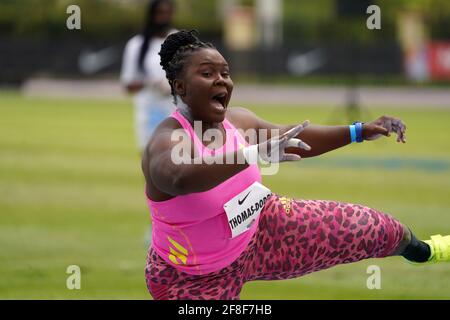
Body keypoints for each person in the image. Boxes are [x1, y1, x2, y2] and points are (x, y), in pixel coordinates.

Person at [142, 30, 450, 300]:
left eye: (225, 72)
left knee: (372, 228)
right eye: (208, 73)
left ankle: (423, 252)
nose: (221, 79)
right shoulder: (166, 139)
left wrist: (357, 131)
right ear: (180, 87)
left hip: (263, 231)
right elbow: (180, 178)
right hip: (191, 278)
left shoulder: (239, 121)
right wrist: (254, 153)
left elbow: (294, 137)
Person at [120, 0, 176, 153]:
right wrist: (150, 83)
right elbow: (128, 85)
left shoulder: (179, 41)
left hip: (175, 112)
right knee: (151, 161)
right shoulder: (137, 45)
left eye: (167, 13)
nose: (163, 18)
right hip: (149, 113)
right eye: (159, 13)